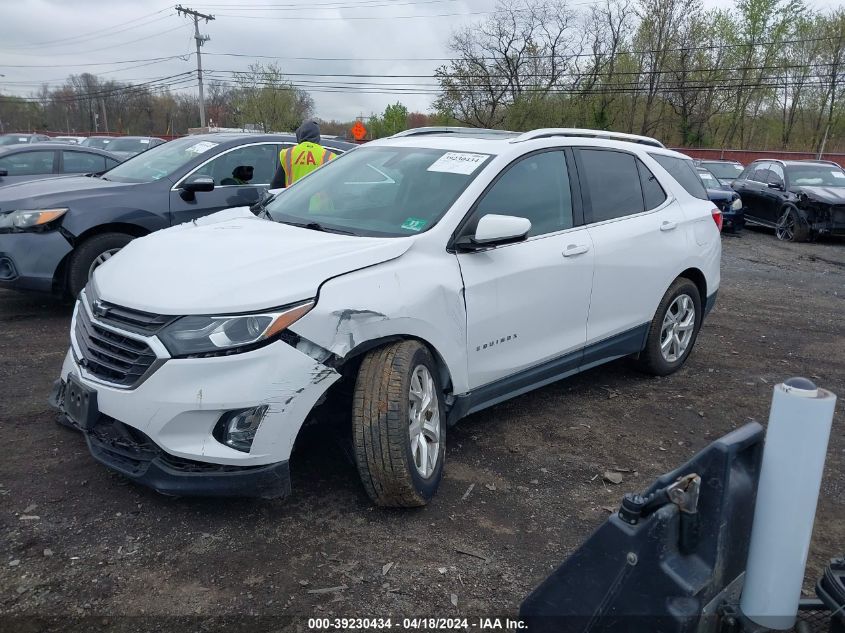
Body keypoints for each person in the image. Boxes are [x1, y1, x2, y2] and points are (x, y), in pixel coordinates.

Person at [271, 120, 336, 188]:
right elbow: (333, 186)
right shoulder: (330, 156)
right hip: (318, 198)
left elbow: (276, 184)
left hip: (294, 197)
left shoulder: (288, 153)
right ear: (317, 136)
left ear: (300, 134)